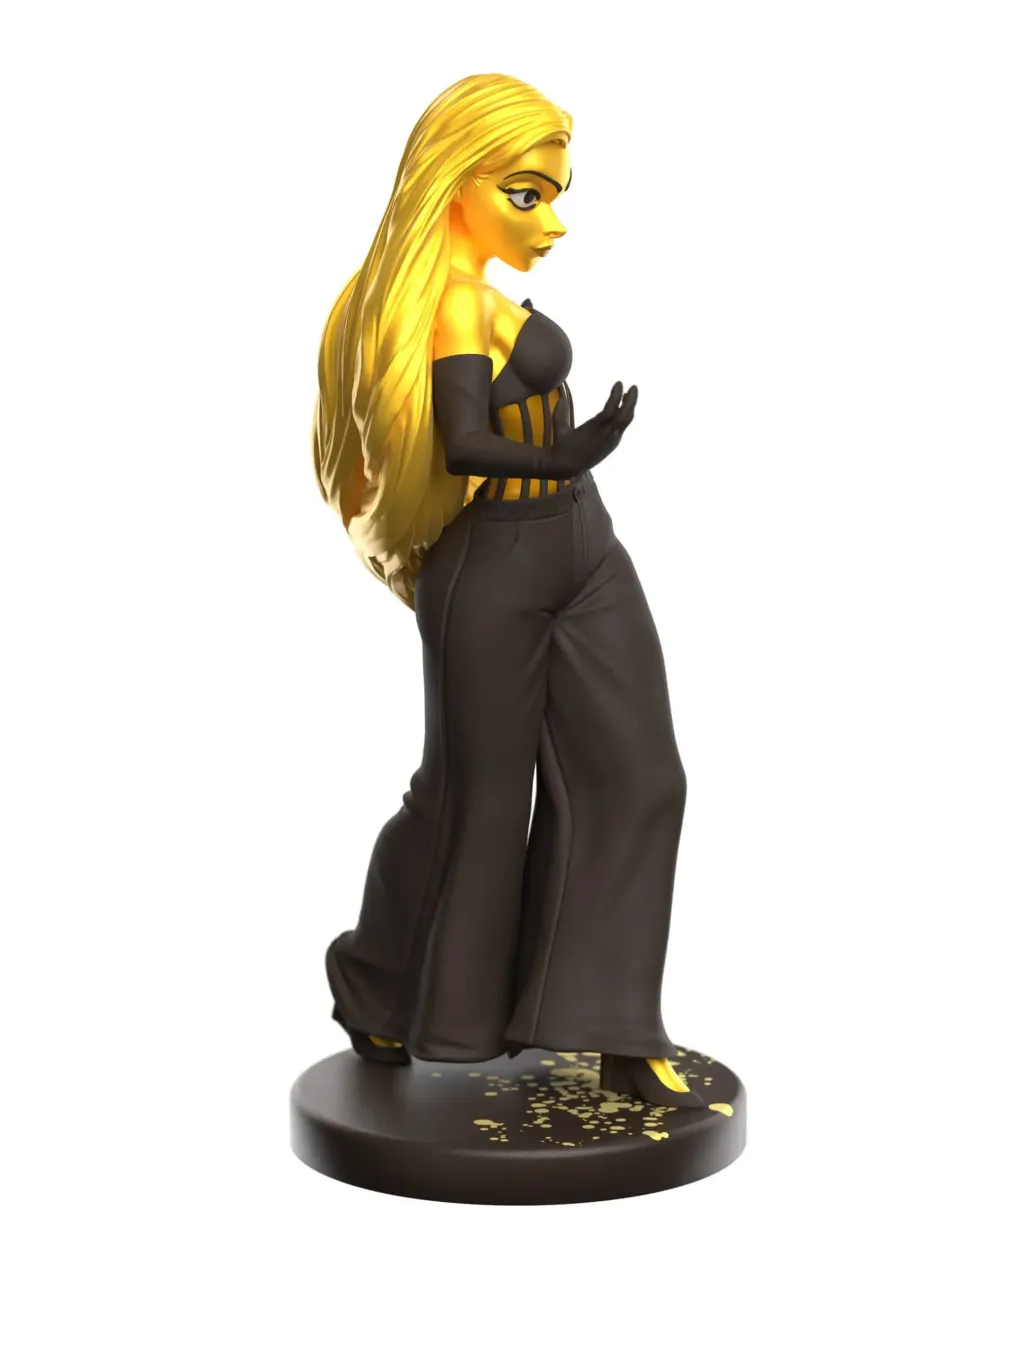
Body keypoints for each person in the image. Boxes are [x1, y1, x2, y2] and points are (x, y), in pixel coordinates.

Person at [311, 73, 703, 1109]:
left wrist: (576, 469)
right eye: (527, 195)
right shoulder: (447, 304)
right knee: (473, 799)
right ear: (453, 183)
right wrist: (577, 447)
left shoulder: (477, 295)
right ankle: (379, 986)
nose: (553, 223)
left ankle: (612, 1025)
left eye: (557, 195)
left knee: (640, 775)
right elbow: (462, 441)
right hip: (493, 562)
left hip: (583, 546)